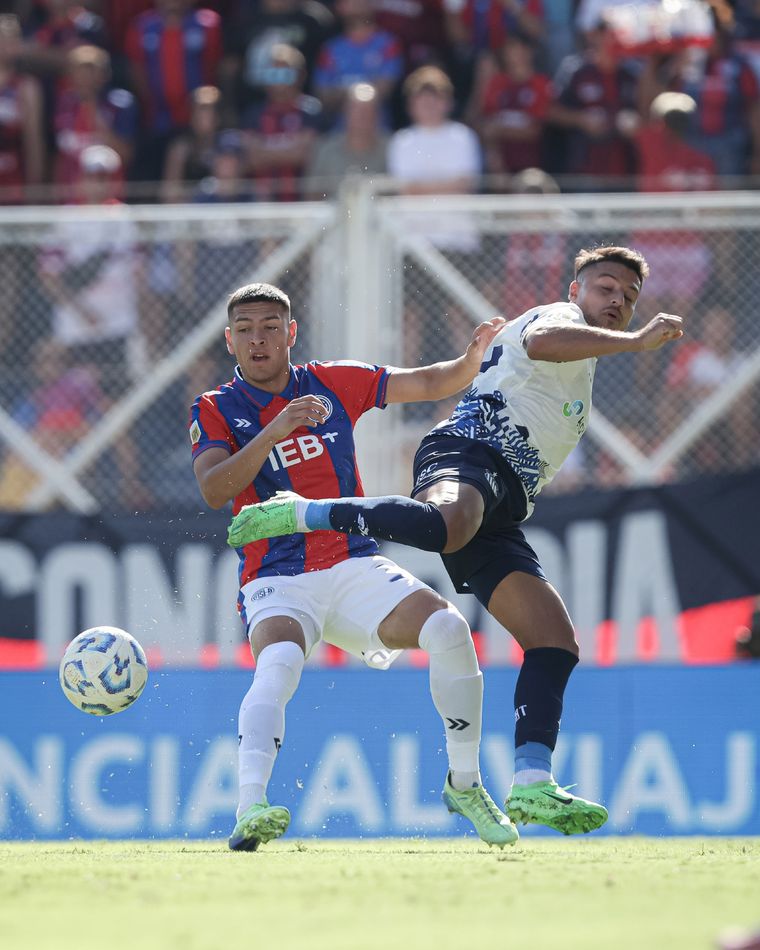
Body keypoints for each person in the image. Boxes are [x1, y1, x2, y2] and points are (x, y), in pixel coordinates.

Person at [228, 246, 686, 836]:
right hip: (468, 453)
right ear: (575, 292)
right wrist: (638, 340)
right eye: (605, 286)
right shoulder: (559, 320)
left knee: (554, 641)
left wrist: (473, 355)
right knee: (444, 525)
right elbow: (543, 342)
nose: (618, 300)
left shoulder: (584, 364)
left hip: (502, 505)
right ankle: (305, 512)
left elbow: (460, 376)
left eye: (628, 295)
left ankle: (531, 784)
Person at [190, 281, 517, 851]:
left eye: (270, 327)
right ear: (229, 340)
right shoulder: (215, 408)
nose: (257, 339)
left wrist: (470, 358)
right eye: (245, 329)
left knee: (449, 628)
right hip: (276, 577)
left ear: (291, 333)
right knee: (279, 665)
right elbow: (217, 489)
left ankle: (465, 783)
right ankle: (249, 808)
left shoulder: (333, 380)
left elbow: (430, 382)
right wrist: (277, 428)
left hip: (352, 564)